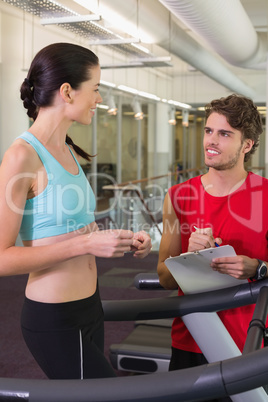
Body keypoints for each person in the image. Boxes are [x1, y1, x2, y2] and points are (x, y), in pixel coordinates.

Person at [0, 42, 152, 380]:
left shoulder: (67, 149)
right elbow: (2, 257)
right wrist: (85, 245)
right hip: (53, 317)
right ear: (67, 92)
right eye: (95, 89)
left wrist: (123, 240)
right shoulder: (21, 156)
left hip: (90, 305)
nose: (99, 99)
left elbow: (72, 230)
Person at [157, 94, 268, 401]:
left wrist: (257, 267)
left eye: (224, 134)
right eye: (208, 131)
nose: (211, 141)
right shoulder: (178, 196)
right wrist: (187, 258)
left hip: (250, 339)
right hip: (191, 338)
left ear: (247, 145)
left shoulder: (266, 196)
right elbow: (164, 277)